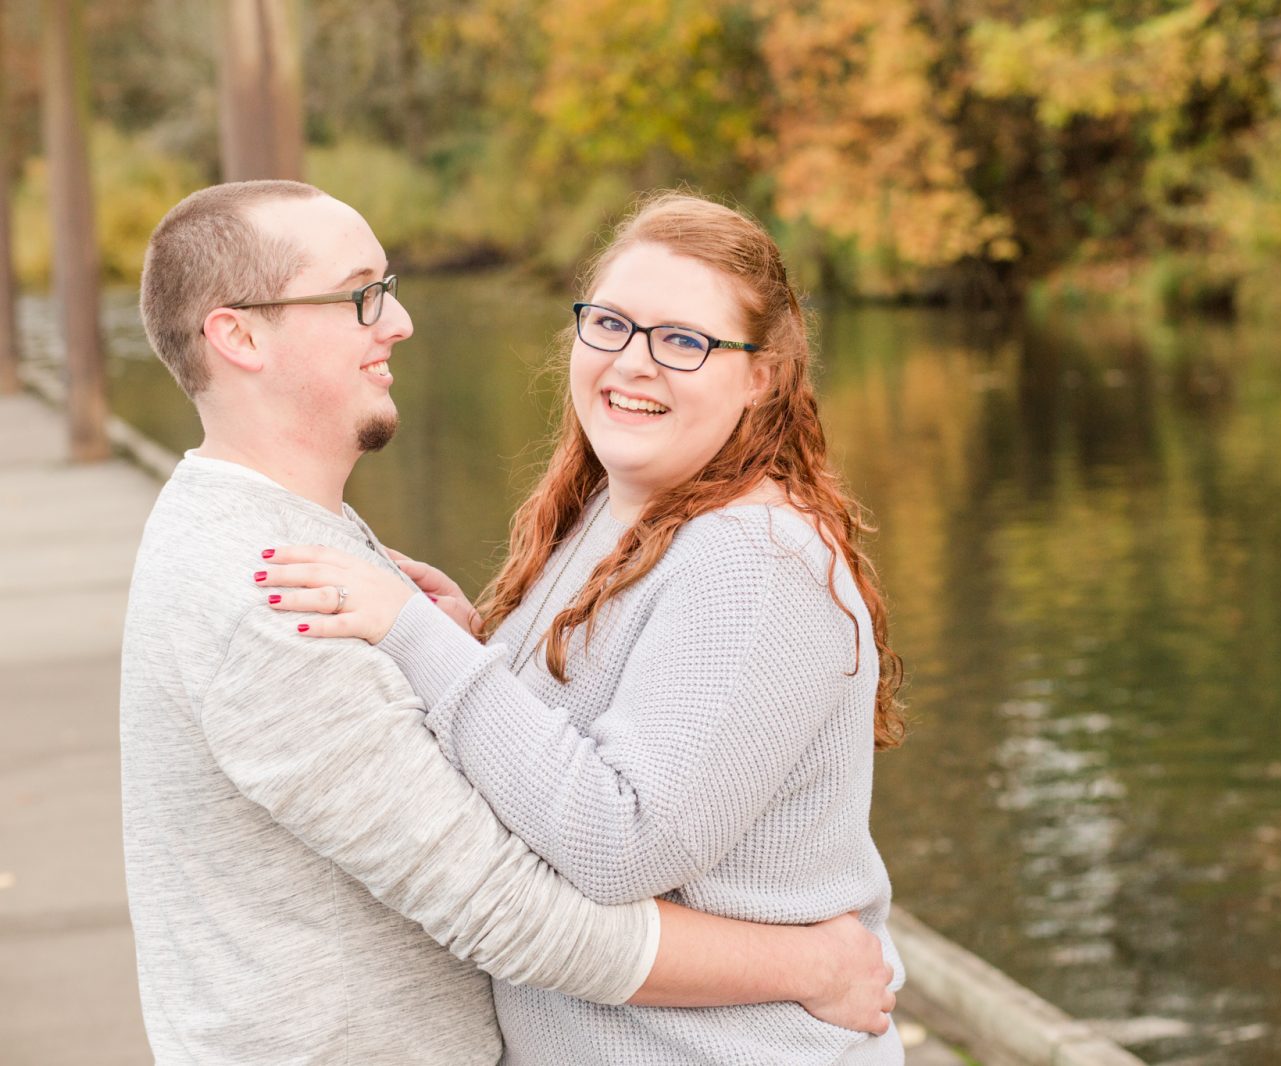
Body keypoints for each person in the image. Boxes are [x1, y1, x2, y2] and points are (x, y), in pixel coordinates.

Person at [122, 181, 894, 1066]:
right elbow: (514, 893)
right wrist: (809, 963)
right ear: (239, 335)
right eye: (362, 294)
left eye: (683, 340)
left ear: (762, 374)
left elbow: (608, 841)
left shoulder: (749, 558)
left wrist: (431, 642)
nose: (400, 321)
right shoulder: (269, 590)